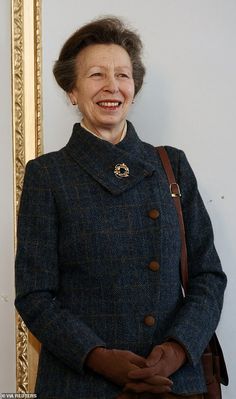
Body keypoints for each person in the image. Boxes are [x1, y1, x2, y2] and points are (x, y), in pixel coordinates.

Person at [15, 16, 226, 399]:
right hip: (81, 384)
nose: (112, 86)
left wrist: (177, 350)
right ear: (72, 91)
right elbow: (35, 295)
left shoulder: (172, 165)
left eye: (123, 75)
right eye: (96, 75)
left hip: (172, 383)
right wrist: (97, 357)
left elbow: (208, 276)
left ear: (134, 87)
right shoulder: (47, 175)